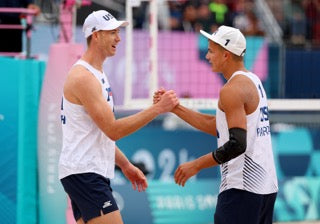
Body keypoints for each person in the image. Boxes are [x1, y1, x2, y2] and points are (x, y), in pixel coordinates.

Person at [59, 10, 178, 224]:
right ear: (96, 35)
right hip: (85, 172)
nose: (119, 38)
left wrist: (125, 165)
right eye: (112, 32)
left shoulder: (97, 74)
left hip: (85, 171)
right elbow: (113, 129)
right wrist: (157, 109)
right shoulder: (83, 77)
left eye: (118, 31)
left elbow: (99, 133)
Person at [154, 25, 278, 223]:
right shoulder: (253, 80)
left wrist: (196, 165)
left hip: (242, 188)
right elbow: (219, 127)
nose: (207, 56)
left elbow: (237, 144)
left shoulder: (232, 89)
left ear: (226, 55)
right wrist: (175, 108)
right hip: (266, 187)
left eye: (211, 51)